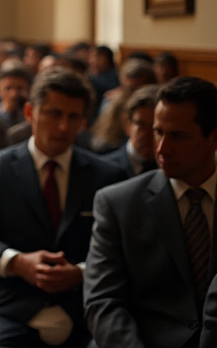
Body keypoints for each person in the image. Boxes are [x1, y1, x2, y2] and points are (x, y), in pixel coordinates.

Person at [0, 68, 125, 348]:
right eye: (53, 113)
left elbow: (123, 250)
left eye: (73, 117)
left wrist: (82, 271)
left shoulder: (108, 176)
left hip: (86, 306)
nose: (63, 126)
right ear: (29, 112)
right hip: (12, 304)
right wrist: (16, 262)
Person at [84, 77, 217, 348]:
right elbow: (103, 302)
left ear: (214, 138)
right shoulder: (118, 203)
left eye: (178, 136)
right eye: (158, 132)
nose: (161, 148)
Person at [101, 84, 160, 178]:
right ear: (127, 124)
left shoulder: (171, 171)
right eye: (141, 125)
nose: (147, 134)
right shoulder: (103, 169)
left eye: (155, 128)